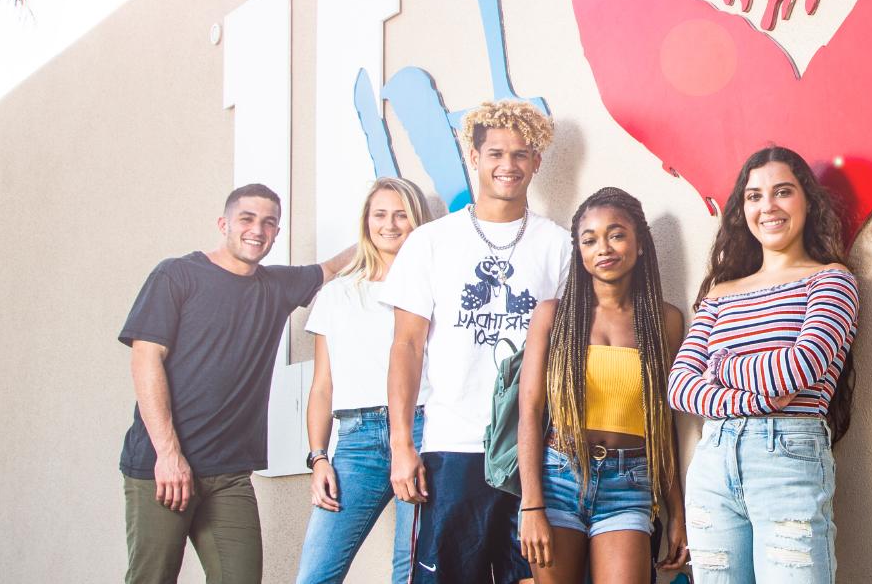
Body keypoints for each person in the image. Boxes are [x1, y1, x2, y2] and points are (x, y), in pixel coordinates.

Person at [119, 183, 355, 584]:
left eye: (269, 223)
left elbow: (333, 268)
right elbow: (145, 360)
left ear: (276, 234)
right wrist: (168, 454)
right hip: (162, 465)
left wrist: (393, 228)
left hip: (228, 472)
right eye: (247, 218)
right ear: (223, 223)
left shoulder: (277, 286)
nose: (257, 230)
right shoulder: (177, 275)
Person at [384, 100, 570, 583]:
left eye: (521, 154)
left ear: (537, 162)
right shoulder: (431, 242)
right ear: (474, 155)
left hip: (531, 452)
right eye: (496, 153)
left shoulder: (559, 245)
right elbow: (406, 346)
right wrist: (401, 445)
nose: (508, 165)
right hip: (453, 447)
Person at [667, 146, 861, 584]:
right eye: (754, 196)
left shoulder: (830, 280)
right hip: (713, 463)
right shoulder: (720, 291)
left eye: (782, 192)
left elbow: (799, 368)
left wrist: (718, 365)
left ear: (807, 202)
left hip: (788, 460)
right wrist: (761, 390)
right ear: (743, 209)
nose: (767, 206)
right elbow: (679, 387)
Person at [514, 188, 691, 583]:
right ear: (578, 251)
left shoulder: (666, 322)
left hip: (630, 482)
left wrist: (677, 511)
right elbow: (529, 411)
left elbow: (666, 426)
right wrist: (531, 506)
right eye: (589, 239)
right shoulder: (552, 316)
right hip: (558, 475)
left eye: (616, 234)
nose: (603, 248)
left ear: (640, 244)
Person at [294, 177, 437, 583]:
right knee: (315, 575)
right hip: (356, 442)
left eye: (401, 215)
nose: (390, 225)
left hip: (422, 431)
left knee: (411, 574)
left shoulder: (432, 290)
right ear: (366, 222)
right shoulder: (337, 294)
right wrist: (319, 456)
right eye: (380, 215)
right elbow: (323, 385)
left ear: (417, 221)